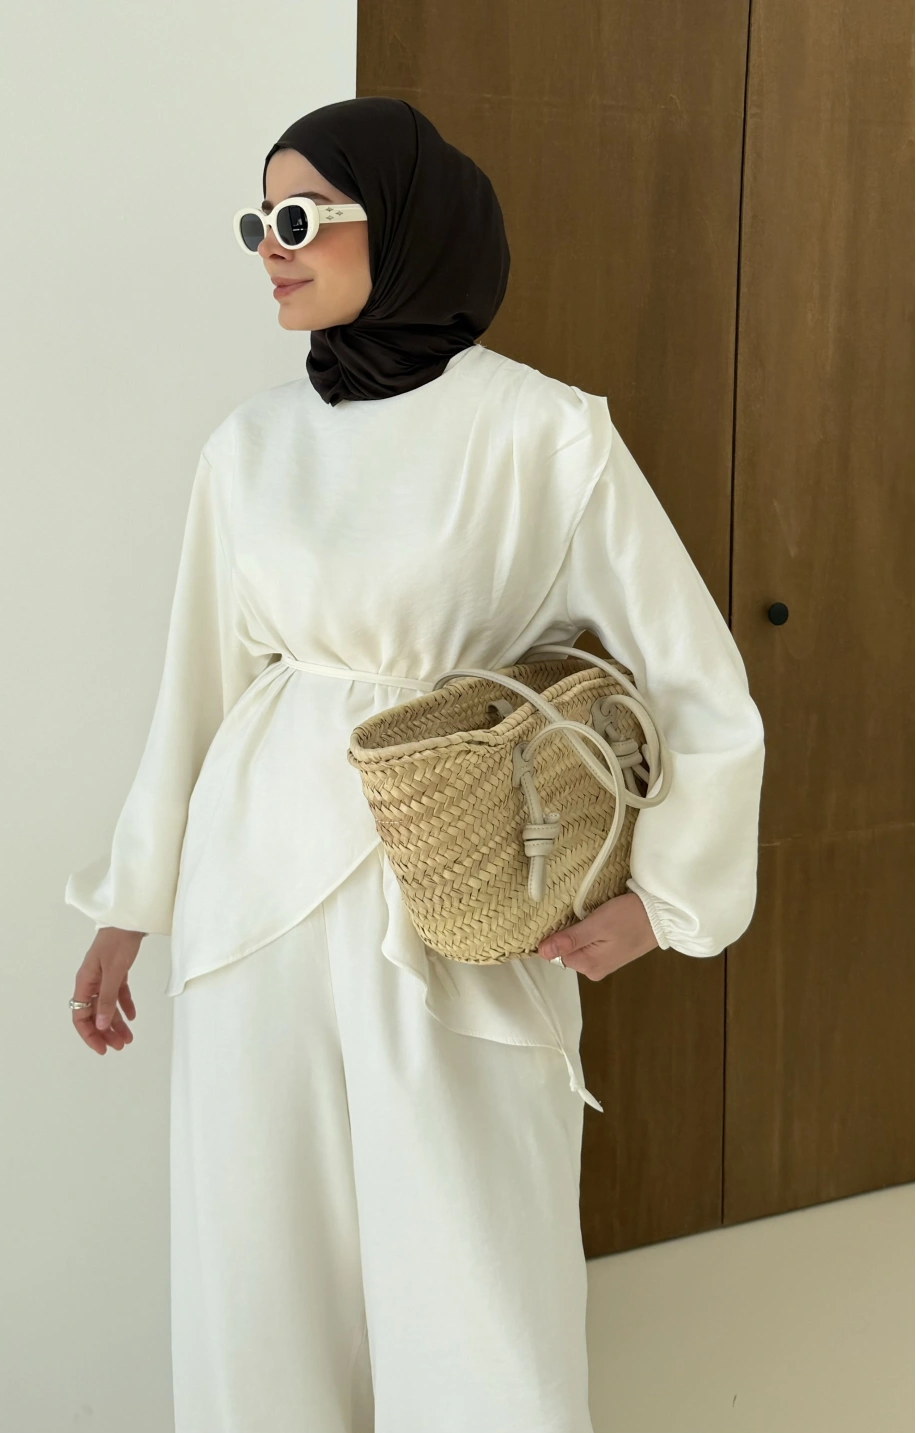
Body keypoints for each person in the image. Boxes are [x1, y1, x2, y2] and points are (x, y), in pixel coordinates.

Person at [65, 97, 765, 1433]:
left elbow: (695, 681)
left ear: (406, 223)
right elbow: (198, 684)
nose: (271, 249)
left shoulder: (544, 433)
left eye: (299, 217)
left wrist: (668, 901)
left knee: (471, 1260)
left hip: (460, 880)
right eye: (256, 224)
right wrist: (131, 902)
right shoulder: (250, 445)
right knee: (258, 1256)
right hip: (254, 888)